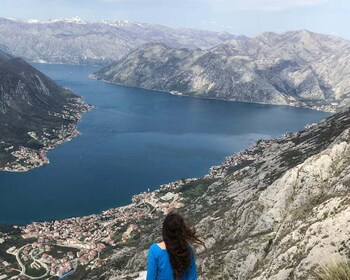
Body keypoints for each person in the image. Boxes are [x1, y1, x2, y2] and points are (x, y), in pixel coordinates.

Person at [146, 212, 204, 280]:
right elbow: (192, 278)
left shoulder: (155, 250)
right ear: (182, 230)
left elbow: (150, 278)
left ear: (164, 230)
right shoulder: (187, 250)